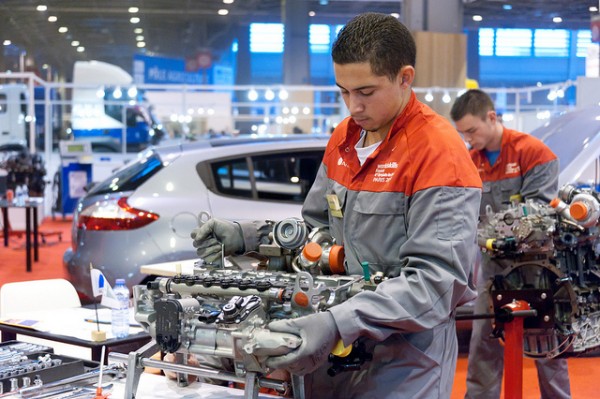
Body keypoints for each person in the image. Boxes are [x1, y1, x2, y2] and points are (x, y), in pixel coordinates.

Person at [192, 12, 482, 398]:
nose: (353, 107)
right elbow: (316, 235)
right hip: (329, 357)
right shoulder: (346, 139)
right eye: (343, 91)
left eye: (365, 91)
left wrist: (336, 323)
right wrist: (249, 236)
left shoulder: (438, 153)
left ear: (404, 77)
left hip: (404, 363)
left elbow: (435, 284)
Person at [450, 89, 572, 399]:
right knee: (484, 345)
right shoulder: (468, 160)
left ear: (491, 117)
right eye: (462, 133)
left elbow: (540, 212)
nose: (468, 139)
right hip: (493, 271)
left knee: (547, 346)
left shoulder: (534, 153)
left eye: (472, 130)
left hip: (538, 268)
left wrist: (494, 232)